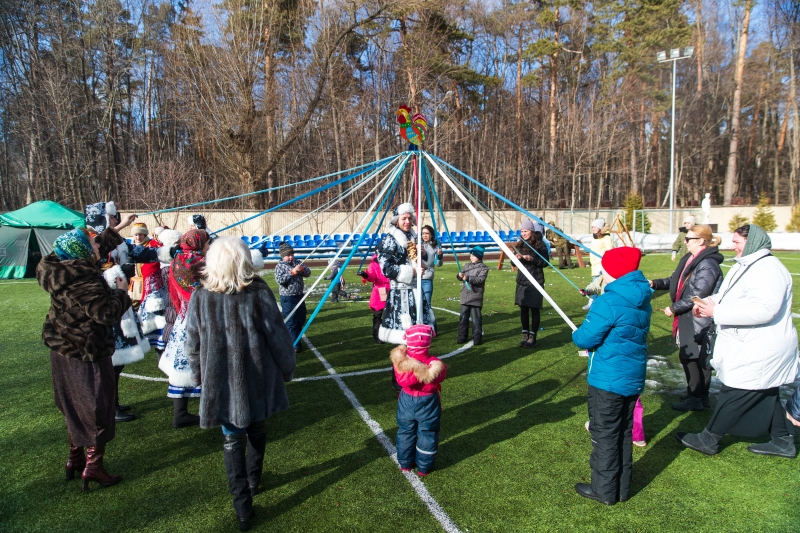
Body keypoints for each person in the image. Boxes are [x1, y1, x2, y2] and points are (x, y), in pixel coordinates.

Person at [185, 237, 296, 532]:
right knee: (255, 430)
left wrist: (199, 376)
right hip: (256, 378)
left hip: (221, 382)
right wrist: (287, 367)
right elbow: (278, 335)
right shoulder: (256, 291)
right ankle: (251, 482)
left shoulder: (201, 295)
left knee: (233, 440)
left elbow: (191, 343)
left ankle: (243, 504)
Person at [676, 224, 799, 458]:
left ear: (751, 243)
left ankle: (709, 438)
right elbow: (726, 294)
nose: (732, 246)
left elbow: (765, 310)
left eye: (737, 242)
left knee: (735, 392)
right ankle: (783, 440)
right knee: (764, 392)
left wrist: (717, 313)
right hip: (750, 344)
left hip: (762, 346)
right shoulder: (746, 265)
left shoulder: (767, 269)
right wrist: (706, 303)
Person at [36, 228, 131, 490]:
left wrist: (114, 229)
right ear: (82, 251)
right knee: (96, 406)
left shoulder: (60, 268)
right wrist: (122, 292)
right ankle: (93, 466)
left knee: (74, 404)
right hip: (86, 351)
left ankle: (76, 458)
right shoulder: (84, 279)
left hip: (63, 349)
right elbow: (105, 312)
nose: (96, 244)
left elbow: (91, 247)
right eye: (91, 243)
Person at [572, 246, 651, 505]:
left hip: (608, 380)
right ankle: (621, 488)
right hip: (631, 377)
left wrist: (579, 334)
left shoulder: (609, 300)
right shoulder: (642, 296)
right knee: (623, 433)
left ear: (613, 271)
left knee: (605, 434)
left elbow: (585, 337)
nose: (601, 274)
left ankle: (604, 490)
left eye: (604, 270)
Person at [649, 225, 723, 411]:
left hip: (699, 319)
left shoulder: (707, 264)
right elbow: (676, 281)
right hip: (689, 317)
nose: (685, 241)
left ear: (701, 241)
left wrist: (674, 307)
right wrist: (655, 283)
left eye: (689, 239)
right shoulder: (690, 259)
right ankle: (695, 395)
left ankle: (698, 397)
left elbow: (699, 292)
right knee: (689, 357)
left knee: (696, 358)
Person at [159, 229, 210, 428]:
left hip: (182, 319)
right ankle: (206, 410)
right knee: (204, 361)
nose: (208, 245)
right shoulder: (200, 263)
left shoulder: (178, 260)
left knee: (182, 365)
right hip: (200, 317)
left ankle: (180, 413)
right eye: (206, 242)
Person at [391, 324, 447, 477]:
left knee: (405, 431)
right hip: (429, 401)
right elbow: (442, 374)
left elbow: (402, 380)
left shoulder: (401, 364)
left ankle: (405, 463)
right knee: (428, 432)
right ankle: (424, 466)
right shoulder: (434, 364)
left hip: (407, 401)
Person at [376, 203, 433, 344]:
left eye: (409, 218)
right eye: (404, 218)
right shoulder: (389, 239)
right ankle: (401, 366)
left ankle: (416, 363)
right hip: (400, 295)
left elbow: (424, 262)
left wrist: (424, 254)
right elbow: (386, 268)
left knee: (418, 336)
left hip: (416, 291)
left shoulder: (413, 237)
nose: (407, 221)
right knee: (403, 337)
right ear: (396, 220)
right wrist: (412, 271)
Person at [513, 218, 549, 348]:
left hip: (535, 280)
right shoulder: (520, 244)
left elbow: (545, 262)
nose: (523, 233)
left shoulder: (540, 244)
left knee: (534, 309)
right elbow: (513, 262)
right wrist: (515, 259)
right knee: (523, 309)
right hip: (522, 280)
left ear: (531, 231)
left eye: (526, 231)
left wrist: (532, 259)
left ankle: (533, 337)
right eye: (522, 231)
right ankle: (525, 334)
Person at [274, 242, 311, 352]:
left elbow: (308, 273)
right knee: (291, 322)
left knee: (301, 319)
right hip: (287, 298)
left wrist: (303, 270)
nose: (290, 257)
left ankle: (295, 338)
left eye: (292, 254)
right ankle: (295, 344)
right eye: (288, 255)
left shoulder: (298, 262)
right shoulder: (280, 266)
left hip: (299, 296)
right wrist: (293, 272)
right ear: (282, 256)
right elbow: (280, 280)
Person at [457, 245, 489, 345]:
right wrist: (459, 276)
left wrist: (467, 278)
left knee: (476, 319)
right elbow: (461, 276)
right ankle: (462, 336)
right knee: (463, 318)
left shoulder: (484, 268)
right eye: (470, 255)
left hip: (475, 296)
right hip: (465, 295)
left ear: (478, 256)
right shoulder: (467, 266)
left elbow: (480, 280)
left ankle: (477, 338)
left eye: (473, 255)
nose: (470, 257)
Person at [358, 254, 390, 344]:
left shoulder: (391, 260)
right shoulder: (374, 265)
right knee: (378, 314)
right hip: (380, 291)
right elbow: (372, 277)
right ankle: (378, 335)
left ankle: (390, 335)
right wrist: (366, 275)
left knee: (391, 314)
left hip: (392, 289)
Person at [583, 218, 613, 311]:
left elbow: (610, 252)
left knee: (597, 284)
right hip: (595, 264)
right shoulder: (595, 237)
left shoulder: (606, 238)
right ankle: (595, 303)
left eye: (594, 227)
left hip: (602, 265)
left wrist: (605, 262)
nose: (592, 228)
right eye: (592, 227)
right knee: (596, 284)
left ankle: (594, 303)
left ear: (599, 228)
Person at [420, 225, 443, 327]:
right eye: (423, 233)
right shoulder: (418, 244)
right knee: (416, 304)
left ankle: (432, 327)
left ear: (431, 235)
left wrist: (440, 256)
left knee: (427, 304)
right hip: (416, 279)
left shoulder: (435, 247)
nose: (424, 235)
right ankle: (420, 326)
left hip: (427, 279)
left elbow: (438, 264)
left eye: (427, 233)